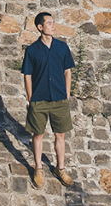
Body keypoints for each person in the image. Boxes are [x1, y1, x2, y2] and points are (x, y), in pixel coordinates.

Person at [21, 10, 74, 188]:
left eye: (53, 22)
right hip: (39, 99)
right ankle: (38, 169)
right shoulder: (32, 50)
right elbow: (27, 75)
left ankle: (61, 168)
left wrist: (67, 93)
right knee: (38, 135)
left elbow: (68, 71)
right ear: (40, 27)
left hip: (59, 98)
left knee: (60, 135)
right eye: (49, 23)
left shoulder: (62, 47)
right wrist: (30, 98)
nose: (53, 25)